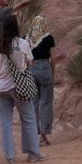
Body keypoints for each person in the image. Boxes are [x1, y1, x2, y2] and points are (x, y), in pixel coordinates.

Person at [0, 15, 45, 164]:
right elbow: (30, 63)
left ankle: (9, 157)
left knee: (5, 122)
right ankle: (33, 154)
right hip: (19, 87)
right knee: (28, 119)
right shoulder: (22, 43)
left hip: (1, 88)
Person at [27, 14, 55, 146]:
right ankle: (44, 136)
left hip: (31, 68)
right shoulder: (49, 38)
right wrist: (52, 72)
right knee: (46, 103)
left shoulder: (27, 38)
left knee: (33, 104)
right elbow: (53, 58)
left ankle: (34, 135)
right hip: (45, 68)